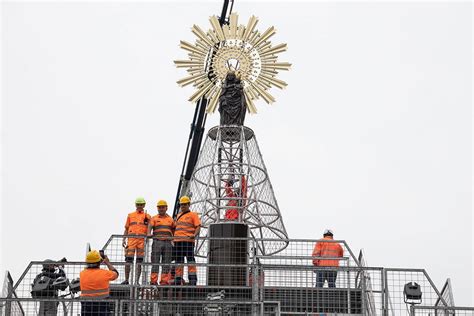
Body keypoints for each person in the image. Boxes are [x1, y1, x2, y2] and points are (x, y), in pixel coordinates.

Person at [122, 197, 151, 285]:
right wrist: (124, 239)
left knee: (139, 262)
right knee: (128, 261)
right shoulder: (130, 215)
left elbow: (150, 229)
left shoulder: (148, 216)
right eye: (138, 204)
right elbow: (126, 228)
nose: (139, 206)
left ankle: (136, 281)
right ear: (135, 205)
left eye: (141, 204)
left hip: (141, 241)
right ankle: (127, 280)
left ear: (144, 205)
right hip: (131, 240)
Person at [80, 250, 118, 316]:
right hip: (102, 305)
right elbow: (116, 274)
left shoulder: (82, 273)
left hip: (86, 305)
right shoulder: (105, 273)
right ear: (99, 262)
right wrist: (107, 262)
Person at [174, 196, 201, 285]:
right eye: (182, 205)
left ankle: (192, 280)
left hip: (188, 241)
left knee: (190, 261)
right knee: (178, 261)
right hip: (178, 242)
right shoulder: (178, 216)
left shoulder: (193, 215)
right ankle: (178, 279)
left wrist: (194, 235)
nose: (183, 206)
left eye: (185, 204)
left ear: (189, 205)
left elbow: (198, 226)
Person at [148, 199, 174, 285]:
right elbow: (150, 226)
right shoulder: (154, 218)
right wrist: (148, 233)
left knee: (166, 262)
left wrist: (173, 239)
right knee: (155, 262)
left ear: (166, 208)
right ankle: (153, 281)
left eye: (162, 207)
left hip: (168, 242)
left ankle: (164, 281)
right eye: (159, 207)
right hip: (157, 242)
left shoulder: (170, 219)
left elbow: (174, 229)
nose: (161, 209)